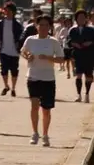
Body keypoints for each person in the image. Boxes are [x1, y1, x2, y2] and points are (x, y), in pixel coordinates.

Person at [21, 14, 64, 146]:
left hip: (48, 79)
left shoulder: (53, 42)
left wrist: (49, 58)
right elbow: (23, 51)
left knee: (46, 109)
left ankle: (45, 134)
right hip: (33, 77)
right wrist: (28, 56)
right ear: (36, 26)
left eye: (46, 25)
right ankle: (35, 133)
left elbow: (61, 59)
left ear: (50, 27)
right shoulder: (30, 40)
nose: (43, 28)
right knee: (34, 105)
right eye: (41, 25)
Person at [0, 1, 23, 97]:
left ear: (13, 11)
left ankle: (13, 88)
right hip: (3, 50)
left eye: (8, 10)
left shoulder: (17, 25)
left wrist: (18, 45)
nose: (6, 12)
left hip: (14, 51)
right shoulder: (0, 24)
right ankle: (6, 86)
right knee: (3, 70)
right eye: (5, 10)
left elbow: (20, 37)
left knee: (14, 71)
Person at [68, 9, 94, 102]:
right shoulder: (72, 30)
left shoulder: (91, 30)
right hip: (78, 55)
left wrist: (90, 43)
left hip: (89, 55)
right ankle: (79, 95)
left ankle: (87, 94)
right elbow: (68, 41)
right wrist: (73, 44)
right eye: (79, 17)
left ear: (86, 18)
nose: (81, 19)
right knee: (78, 75)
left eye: (83, 17)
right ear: (76, 19)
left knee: (88, 76)